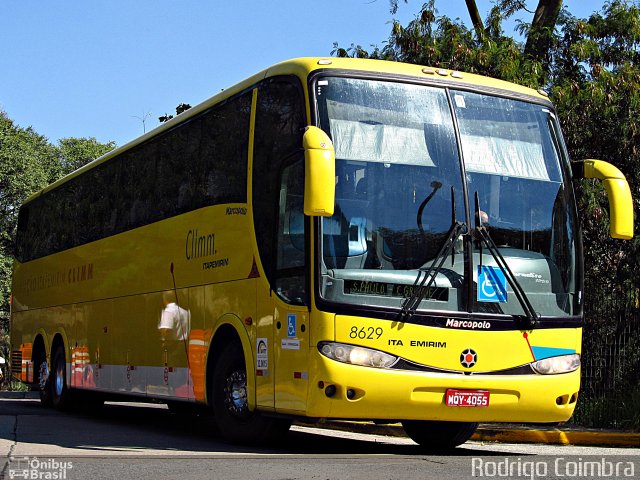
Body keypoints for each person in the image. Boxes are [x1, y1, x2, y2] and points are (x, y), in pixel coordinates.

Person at [158, 291, 190, 365]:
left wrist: (160, 331)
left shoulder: (168, 311)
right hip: (184, 346)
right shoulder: (184, 311)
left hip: (172, 347)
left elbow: (167, 329)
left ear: (165, 299)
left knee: (171, 371)